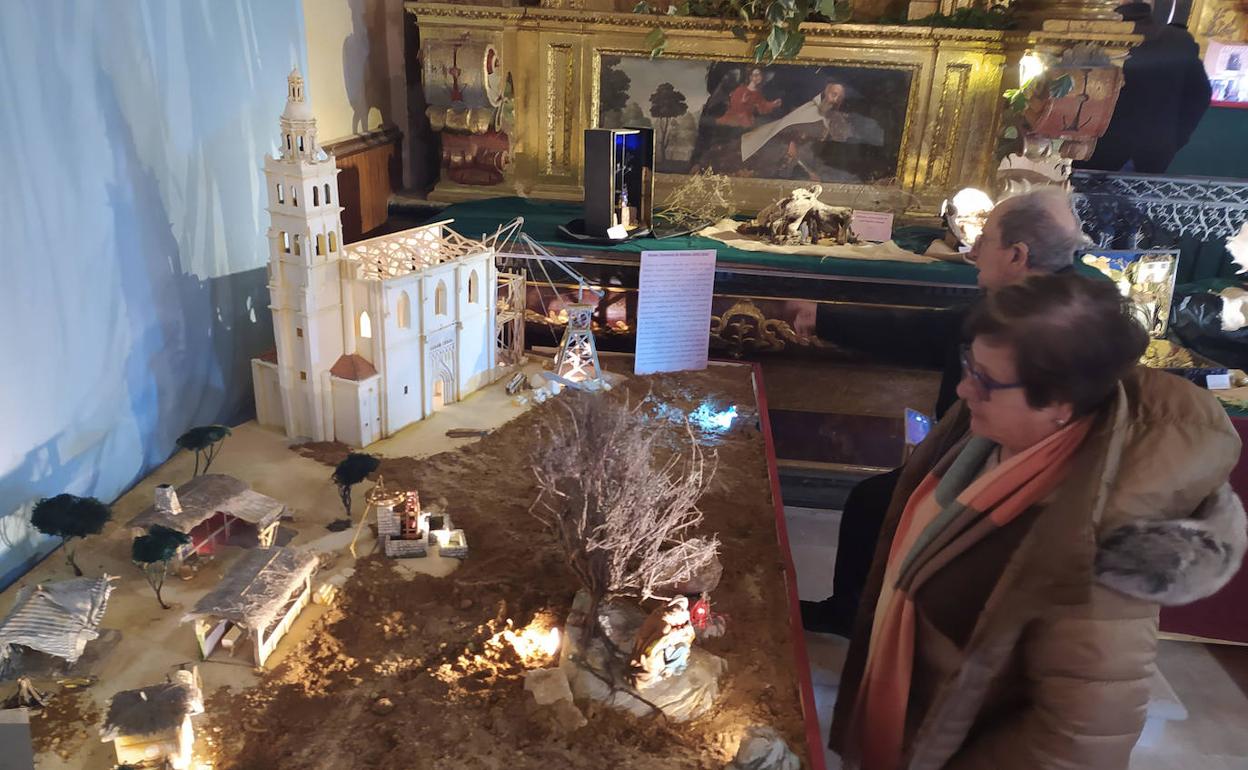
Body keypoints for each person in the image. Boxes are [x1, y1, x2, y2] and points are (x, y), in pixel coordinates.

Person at [830, 272, 1245, 769]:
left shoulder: (1092, 537)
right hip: (915, 725)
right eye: (969, 364)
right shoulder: (986, 436)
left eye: (984, 380)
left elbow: (1080, 739)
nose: (964, 388)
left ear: (1061, 402)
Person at [801, 187, 1087, 635]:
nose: (972, 251)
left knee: (876, 505)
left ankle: (870, 620)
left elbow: (929, 333)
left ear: (1017, 255)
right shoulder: (1059, 296)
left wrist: (822, 318)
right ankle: (865, 616)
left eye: (985, 240)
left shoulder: (1033, 320)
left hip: (1006, 480)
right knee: (876, 502)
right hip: (991, 463)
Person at [1081, 1, 1212, 173]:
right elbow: (1200, 95)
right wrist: (1173, 140)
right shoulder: (1179, 40)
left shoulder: (1089, 35)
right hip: (1146, 155)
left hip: (1086, 150)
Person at [717, 67, 782, 128]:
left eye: (760, 75)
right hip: (733, 119)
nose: (758, 77)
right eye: (756, 75)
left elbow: (762, 106)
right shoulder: (740, 89)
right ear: (750, 77)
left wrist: (773, 104)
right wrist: (742, 102)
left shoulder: (757, 93)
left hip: (747, 121)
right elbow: (733, 105)